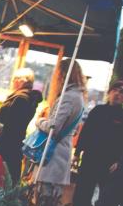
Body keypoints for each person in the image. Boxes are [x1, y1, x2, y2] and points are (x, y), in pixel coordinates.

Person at [63, 80, 123, 206]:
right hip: (90, 160)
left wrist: (121, 161)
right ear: (110, 92)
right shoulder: (98, 110)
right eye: (115, 91)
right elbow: (86, 132)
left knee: (107, 204)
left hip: (112, 167)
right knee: (81, 196)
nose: (118, 94)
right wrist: (77, 153)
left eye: (122, 92)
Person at [33, 59, 86, 196]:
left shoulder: (68, 97)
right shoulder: (78, 96)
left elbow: (53, 127)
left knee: (44, 198)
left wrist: (39, 121)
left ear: (63, 74)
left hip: (54, 156)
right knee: (50, 200)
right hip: (61, 154)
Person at [0, 68, 42, 184]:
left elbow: (7, 125)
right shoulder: (25, 97)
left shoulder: (21, 98)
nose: (13, 82)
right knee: (3, 180)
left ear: (23, 80)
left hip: (6, 147)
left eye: (15, 79)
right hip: (11, 147)